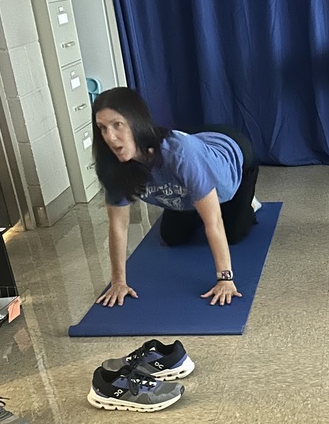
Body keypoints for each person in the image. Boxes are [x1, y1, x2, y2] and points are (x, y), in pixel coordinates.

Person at [92, 88, 260, 307]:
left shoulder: (179, 154)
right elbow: (118, 226)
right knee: (172, 238)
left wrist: (225, 279)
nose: (110, 137)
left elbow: (213, 222)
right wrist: (118, 282)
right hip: (189, 168)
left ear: (136, 122)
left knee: (234, 233)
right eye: (102, 128)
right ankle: (198, 199)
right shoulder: (113, 165)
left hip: (231, 155)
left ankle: (248, 202)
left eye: (117, 125)